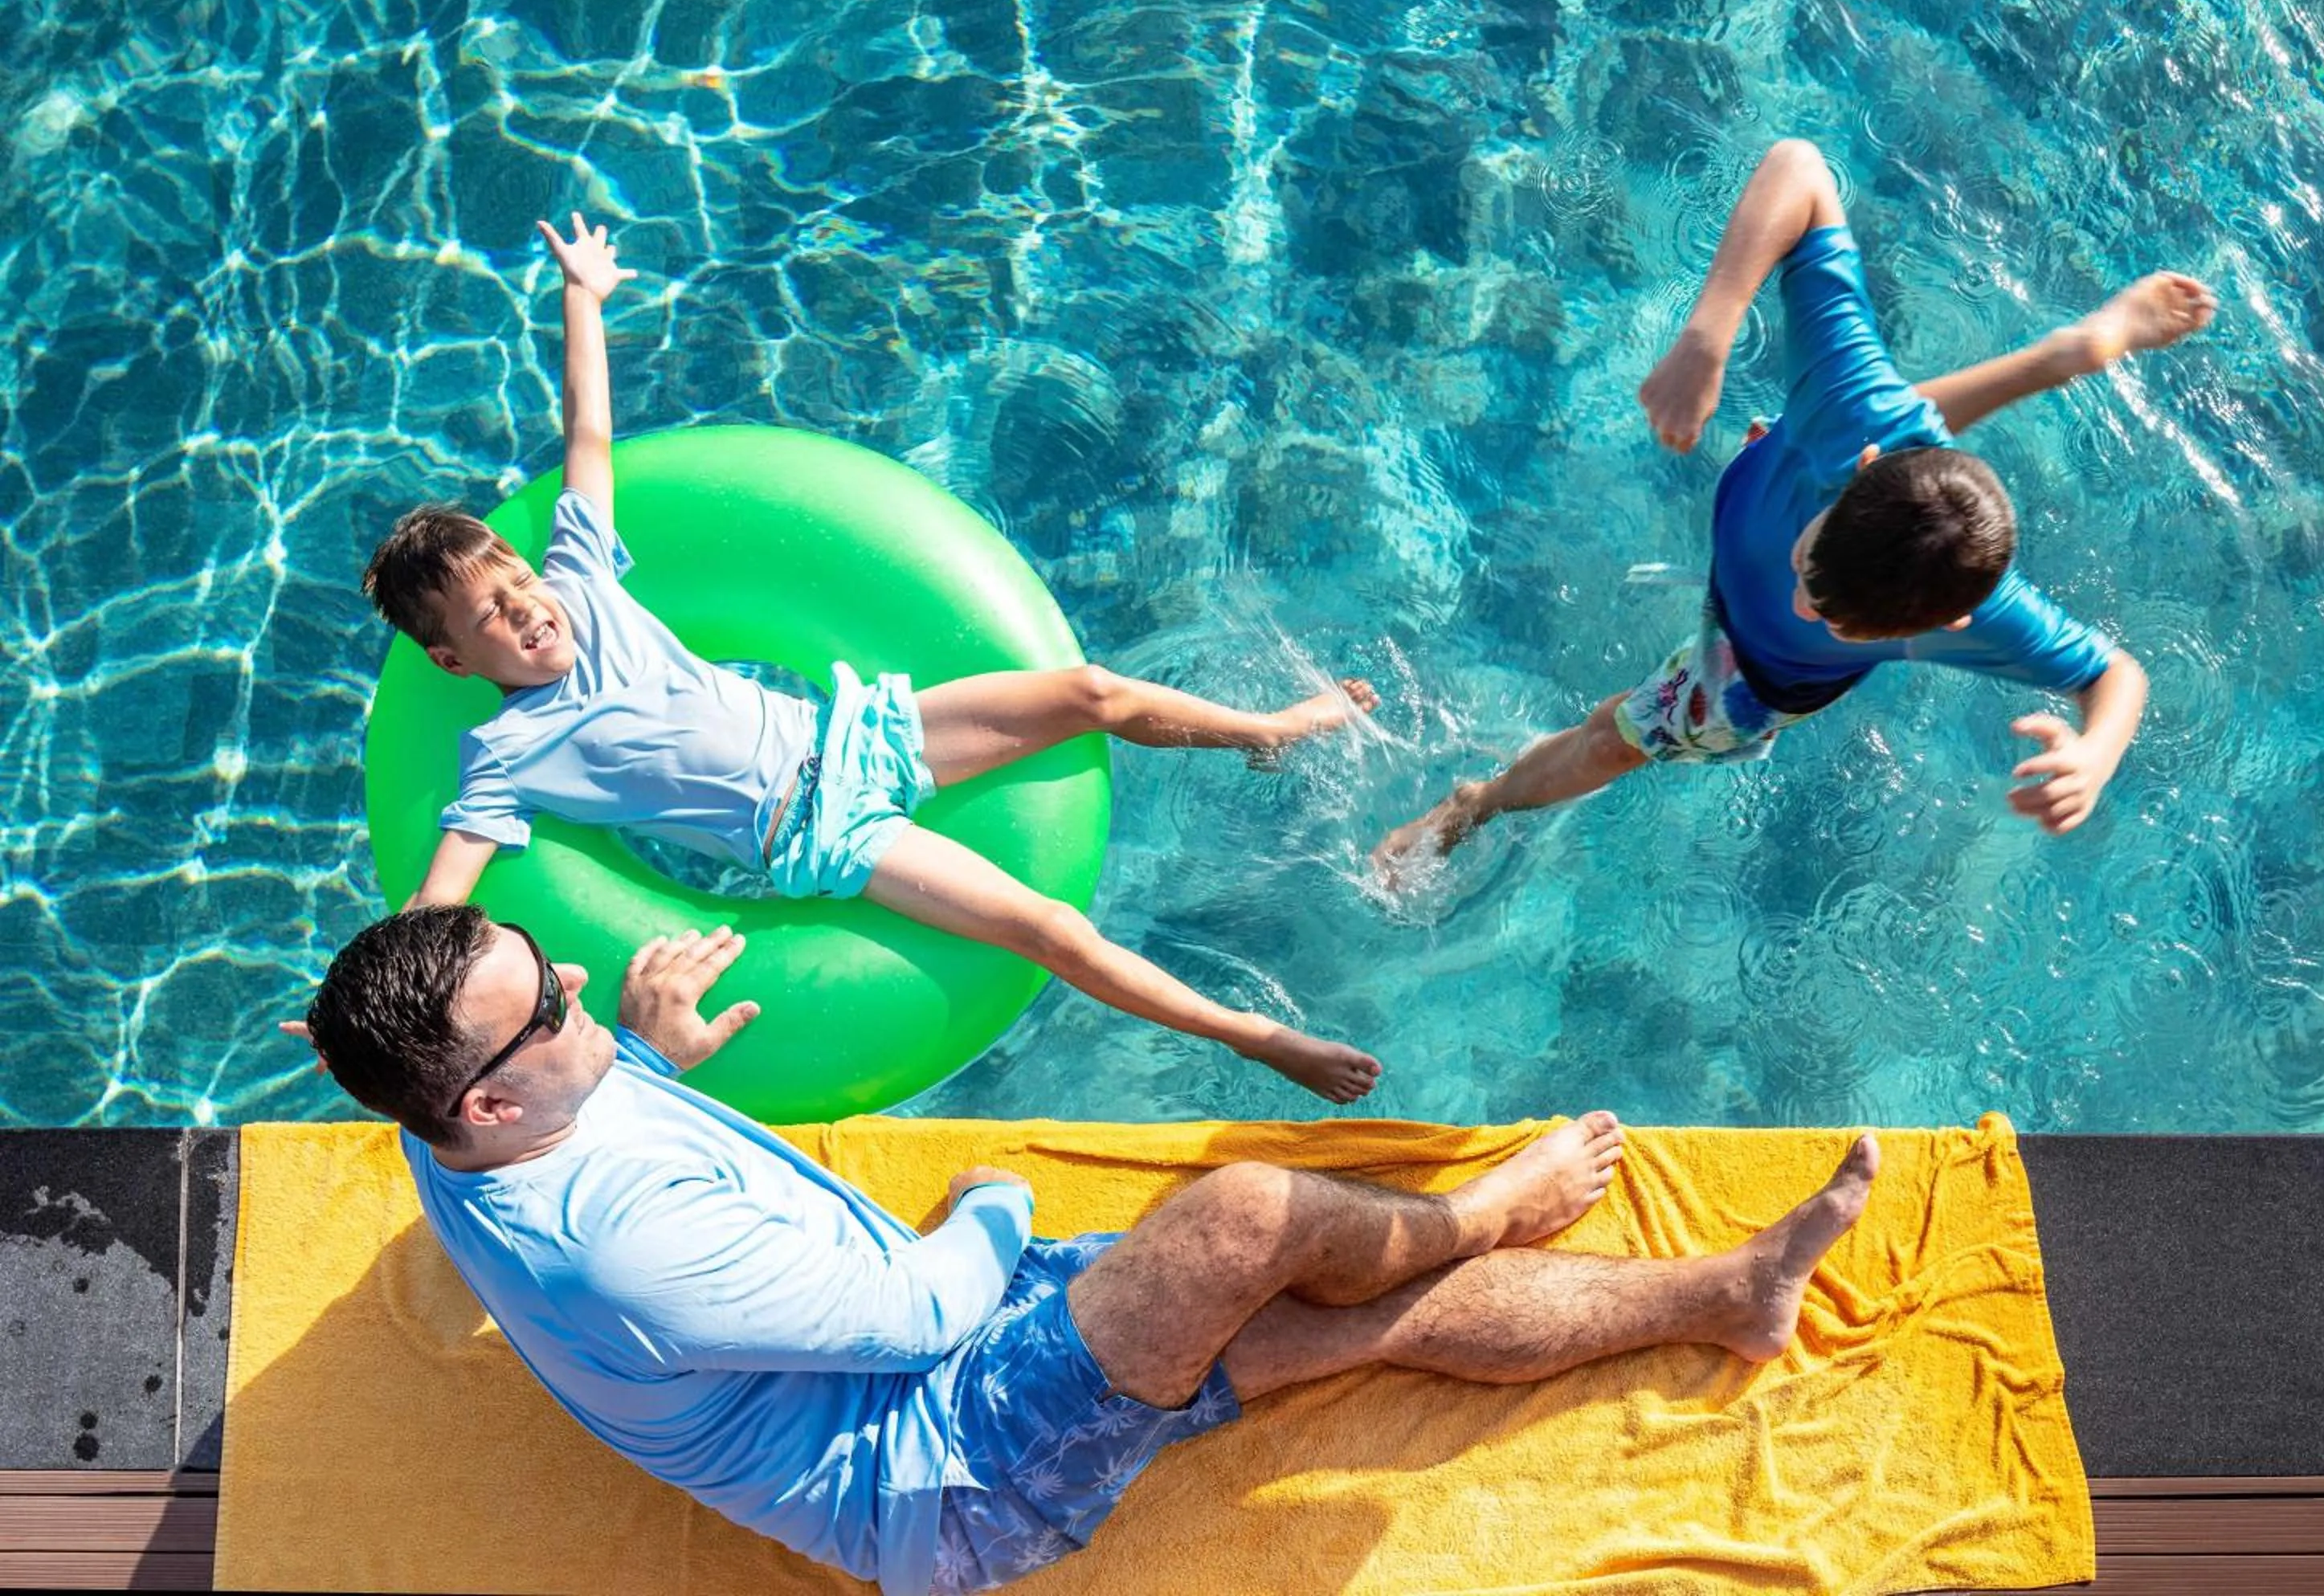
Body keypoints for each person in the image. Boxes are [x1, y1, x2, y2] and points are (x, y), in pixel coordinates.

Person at [300, 905, 1880, 1596]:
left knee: (1338, 1324)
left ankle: (1729, 1297)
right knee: (1248, 1217)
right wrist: (991, 1196)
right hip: (953, 1467)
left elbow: (516, 1070)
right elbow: (922, 1309)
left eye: (545, 961)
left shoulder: (449, 1122)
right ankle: (1487, 1215)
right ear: (492, 1096)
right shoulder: (622, 1249)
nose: (579, 980)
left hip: (893, 1405)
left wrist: (652, 1055)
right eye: (552, 1004)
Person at [369, 213, 1381, 1101]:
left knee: (1093, 689)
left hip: (857, 729)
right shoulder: (507, 754)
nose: (526, 608)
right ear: (453, 661)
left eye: (516, 582)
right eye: (491, 615)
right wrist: (365, 1020)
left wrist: (583, 297)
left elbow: (588, 432)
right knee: (1049, 928)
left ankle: (1265, 731)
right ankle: (1258, 1036)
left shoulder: (582, 575)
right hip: (821, 831)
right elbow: (436, 902)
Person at [1374, 139, 2216, 879]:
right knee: (1887, 422)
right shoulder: (1855, 422)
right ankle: (2074, 350)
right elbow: (1799, 168)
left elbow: (2115, 676)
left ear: (1948, 626)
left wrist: (2096, 754)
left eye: (1841, 619)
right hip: (1809, 464)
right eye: (1813, 569)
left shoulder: (1981, 613)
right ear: (1860, 474)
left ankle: (1475, 806)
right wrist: (1707, 337)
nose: (1807, 603)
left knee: (1612, 740)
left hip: (1759, 670)